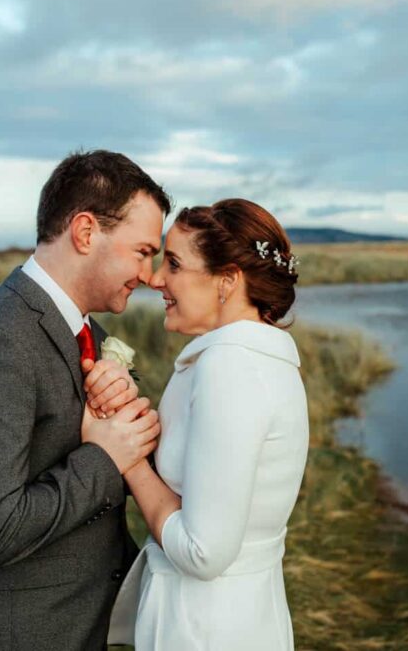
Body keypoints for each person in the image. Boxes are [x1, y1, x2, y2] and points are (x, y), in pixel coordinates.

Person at [0, 150, 170, 650]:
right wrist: (104, 457)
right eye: (143, 251)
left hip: (77, 625)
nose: (149, 273)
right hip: (11, 634)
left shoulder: (87, 333)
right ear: (85, 232)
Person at [106, 198, 309, 650]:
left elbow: (204, 552)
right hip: (245, 613)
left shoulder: (231, 367)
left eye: (174, 263)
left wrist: (131, 461)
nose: (155, 278)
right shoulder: (262, 357)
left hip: (204, 627)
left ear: (227, 281)